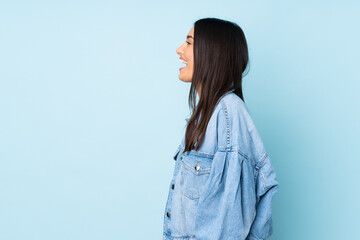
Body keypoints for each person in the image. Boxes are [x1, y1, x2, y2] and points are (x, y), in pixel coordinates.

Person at [163, 17, 280, 240]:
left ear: (212, 52)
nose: (180, 50)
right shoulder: (205, 115)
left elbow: (228, 220)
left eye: (189, 43)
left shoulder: (229, 113)